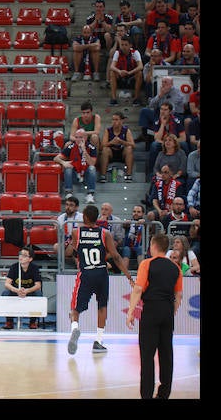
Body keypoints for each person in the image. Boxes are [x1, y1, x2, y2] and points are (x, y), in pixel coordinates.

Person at [65, 204, 134, 354]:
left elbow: (69, 252)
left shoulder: (77, 232)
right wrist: (128, 275)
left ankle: (75, 328)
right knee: (102, 307)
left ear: (84, 217)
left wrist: (73, 245)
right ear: (97, 218)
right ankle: (98, 341)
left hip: (86, 273)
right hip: (102, 273)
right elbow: (115, 256)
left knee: (75, 309)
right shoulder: (105, 233)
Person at [126, 232, 182, 399]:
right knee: (166, 353)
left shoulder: (146, 264)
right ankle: (164, 393)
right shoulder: (176, 268)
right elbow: (178, 296)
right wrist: (171, 311)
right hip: (167, 311)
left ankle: (147, 395)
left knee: (147, 355)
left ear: (153, 246)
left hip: (151, 311)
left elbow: (138, 289)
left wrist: (130, 312)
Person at [0, 245, 43, 330]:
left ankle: (33, 322)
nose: (21, 257)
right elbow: (7, 284)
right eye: (20, 254)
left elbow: (38, 285)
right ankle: (9, 321)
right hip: (16, 290)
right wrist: (16, 290)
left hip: (29, 290)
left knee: (38, 294)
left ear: (30, 259)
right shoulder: (14, 267)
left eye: (24, 255)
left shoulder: (34, 268)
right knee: (5, 293)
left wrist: (27, 291)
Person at [55, 128, 98, 204]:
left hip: (86, 176)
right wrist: (63, 163)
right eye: (76, 137)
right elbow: (56, 158)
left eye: (80, 137)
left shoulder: (92, 147)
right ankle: (69, 193)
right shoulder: (71, 147)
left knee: (92, 168)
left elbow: (92, 163)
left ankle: (90, 194)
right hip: (75, 175)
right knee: (68, 168)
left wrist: (84, 151)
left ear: (85, 138)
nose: (78, 139)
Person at [98, 112, 135, 183]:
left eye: (116, 120)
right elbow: (102, 146)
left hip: (122, 152)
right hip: (111, 153)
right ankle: (103, 175)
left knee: (129, 149)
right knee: (105, 150)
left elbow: (133, 145)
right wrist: (111, 142)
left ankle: (129, 175)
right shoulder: (108, 130)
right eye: (113, 120)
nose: (114, 122)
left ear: (121, 121)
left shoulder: (126, 130)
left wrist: (121, 142)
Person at [107, 35, 143, 105]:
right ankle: (113, 99)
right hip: (121, 76)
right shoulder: (117, 53)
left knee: (139, 73)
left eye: (126, 45)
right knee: (112, 72)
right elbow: (112, 66)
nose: (123, 47)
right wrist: (119, 71)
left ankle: (136, 98)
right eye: (122, 44)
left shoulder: (135, 53)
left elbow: (140, 66)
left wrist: (130, 72)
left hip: (131, 76)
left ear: (130, 45)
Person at [148, 165, 185, 231]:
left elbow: (177, 201)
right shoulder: (157, 184)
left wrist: (169, 211)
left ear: (171, 173)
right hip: (160, 209)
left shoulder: (178, 185)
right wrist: (159, 211)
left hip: (173, 210)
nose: (163, 174)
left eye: (166, 172)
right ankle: (153, 236)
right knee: (150, 214)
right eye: (162, 172)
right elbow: (154, 200)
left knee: (166, 216)